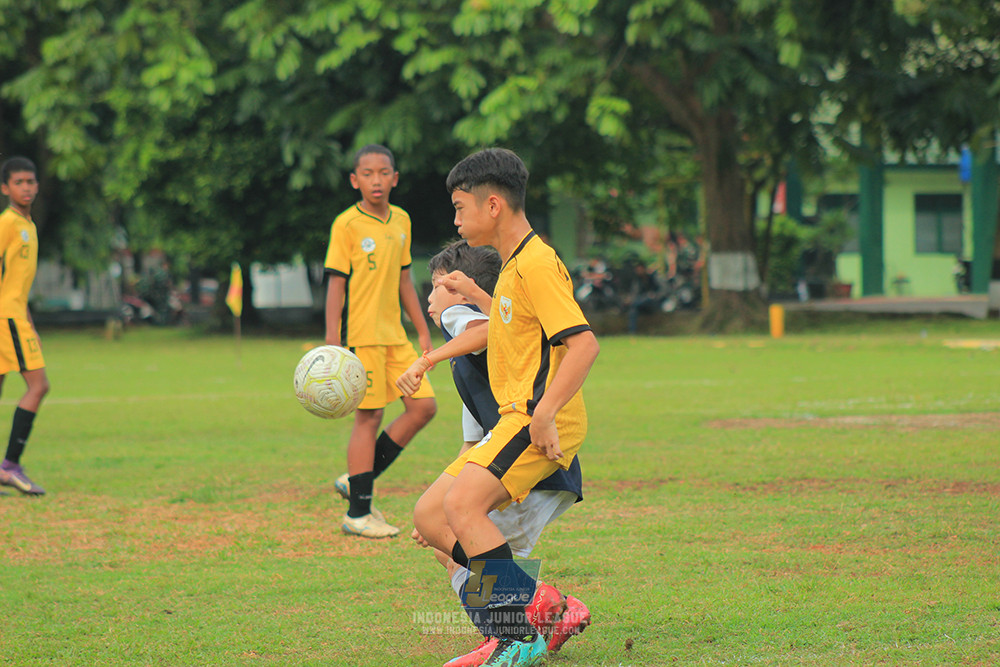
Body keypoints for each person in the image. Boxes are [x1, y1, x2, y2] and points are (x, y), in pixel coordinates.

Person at [412, 148, 600, 667]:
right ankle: (533, 605)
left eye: (459, 207)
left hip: (540, 416)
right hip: (517, 417)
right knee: (430, 515)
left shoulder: (536, 262)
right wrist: (475, 289)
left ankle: (515, 635)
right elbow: (513, 326)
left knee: (462, 507)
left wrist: (544, 414)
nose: (455, 219)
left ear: (492, 205)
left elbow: (583, 344)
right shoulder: (517, 263)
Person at [323, 144, 437, 538]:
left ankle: (358, 478)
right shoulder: (347, 225)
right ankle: (358, 513)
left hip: (396, 337)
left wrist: (421, 328)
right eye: (367, 173)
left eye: (383, 172)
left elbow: (405, 280)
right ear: (355, 181)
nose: (376, 180)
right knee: (368, 418)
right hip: (362, 337)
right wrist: (332, 340)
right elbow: (336, 284)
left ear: (395, 178)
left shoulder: (401, 220)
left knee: (423, 408)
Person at [0, 157, 50, 496]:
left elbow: (18, 283)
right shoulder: (6, 222)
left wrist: (30, 320)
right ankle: (10, 466)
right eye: (19, 182)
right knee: (39, 385)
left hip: (17, 316)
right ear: (5, 188)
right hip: (6, 318)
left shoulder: (27, 225)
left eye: (30, 181)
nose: (27, 187)